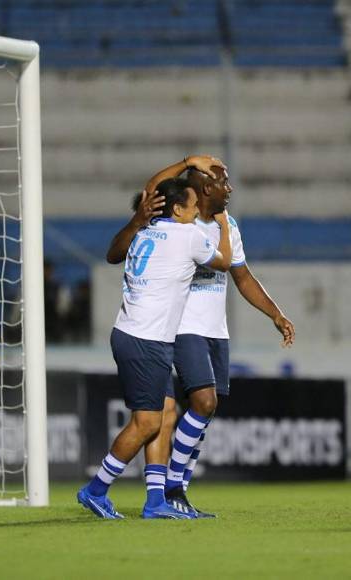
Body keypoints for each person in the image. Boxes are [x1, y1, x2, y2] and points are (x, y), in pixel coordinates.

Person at [108, 155, 296, 518]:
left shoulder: (228, 226)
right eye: (224, 182)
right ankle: (172, 486)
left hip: (214, 329)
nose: (230, 189)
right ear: (206, 188)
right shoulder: (175, 221)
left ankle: (174, 492)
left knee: (199, 413)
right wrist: (185, 162)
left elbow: (241, 276)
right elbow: (152, 190)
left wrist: (276, 313)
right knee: (201, 403)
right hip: (181, 327)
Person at [77, 176, 231, 520]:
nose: (196, 213)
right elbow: (224, 263)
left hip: (138, 334)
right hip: (147, 339)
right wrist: (221, 224)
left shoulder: (144, 232)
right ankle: (96, 489)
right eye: (192, 207)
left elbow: (113, 252)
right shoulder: (189, 234)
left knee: (165, 416)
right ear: (177, 209)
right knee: (147, 423)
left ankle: (156, 500)